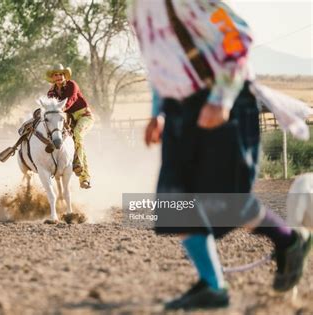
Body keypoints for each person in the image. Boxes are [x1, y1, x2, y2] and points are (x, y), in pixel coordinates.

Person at [129, 0, 312, 310]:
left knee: (227, 201)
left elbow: (238, 37)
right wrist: (157, 112)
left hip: (223, 104)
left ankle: (288, 240)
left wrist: (222, 99)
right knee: (175, 203)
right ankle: (213, 287)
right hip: (178, 112)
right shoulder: (138, 11)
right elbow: (160, 67)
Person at [46, 64, 94, 189]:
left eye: (60, 74)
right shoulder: (51, 92)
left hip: (84, 116)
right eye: (55, 75)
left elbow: (71, 99)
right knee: (66, 140)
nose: (58, 77)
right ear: (52, 78)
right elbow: (50, 106)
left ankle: (83, 175)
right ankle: (60, 166)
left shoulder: (72, 85)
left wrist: (61, 109)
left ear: (64, 76)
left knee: (77, 135)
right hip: (68, 119)